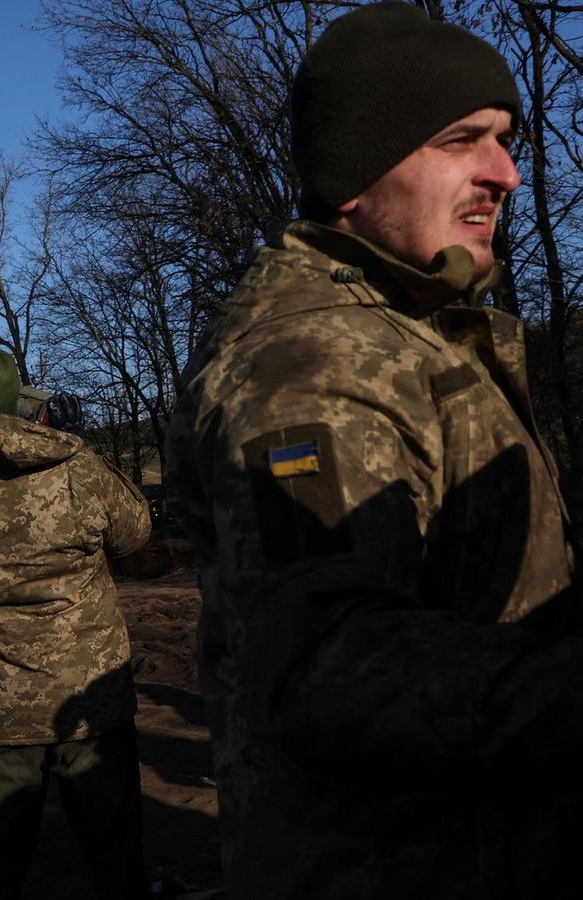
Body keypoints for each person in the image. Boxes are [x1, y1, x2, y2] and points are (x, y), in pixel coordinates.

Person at [165, 4, 580, 896]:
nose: (505, 173)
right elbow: (330, 669)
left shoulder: (409, 334)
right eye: (462, 139)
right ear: (355, 173)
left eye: (507, 140)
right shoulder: (312, 360)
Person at [0, 345, 152, 899]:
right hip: (90, 701)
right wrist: (73, 440)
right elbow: (135, 532)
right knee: (114, 850)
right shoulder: (72, 466)